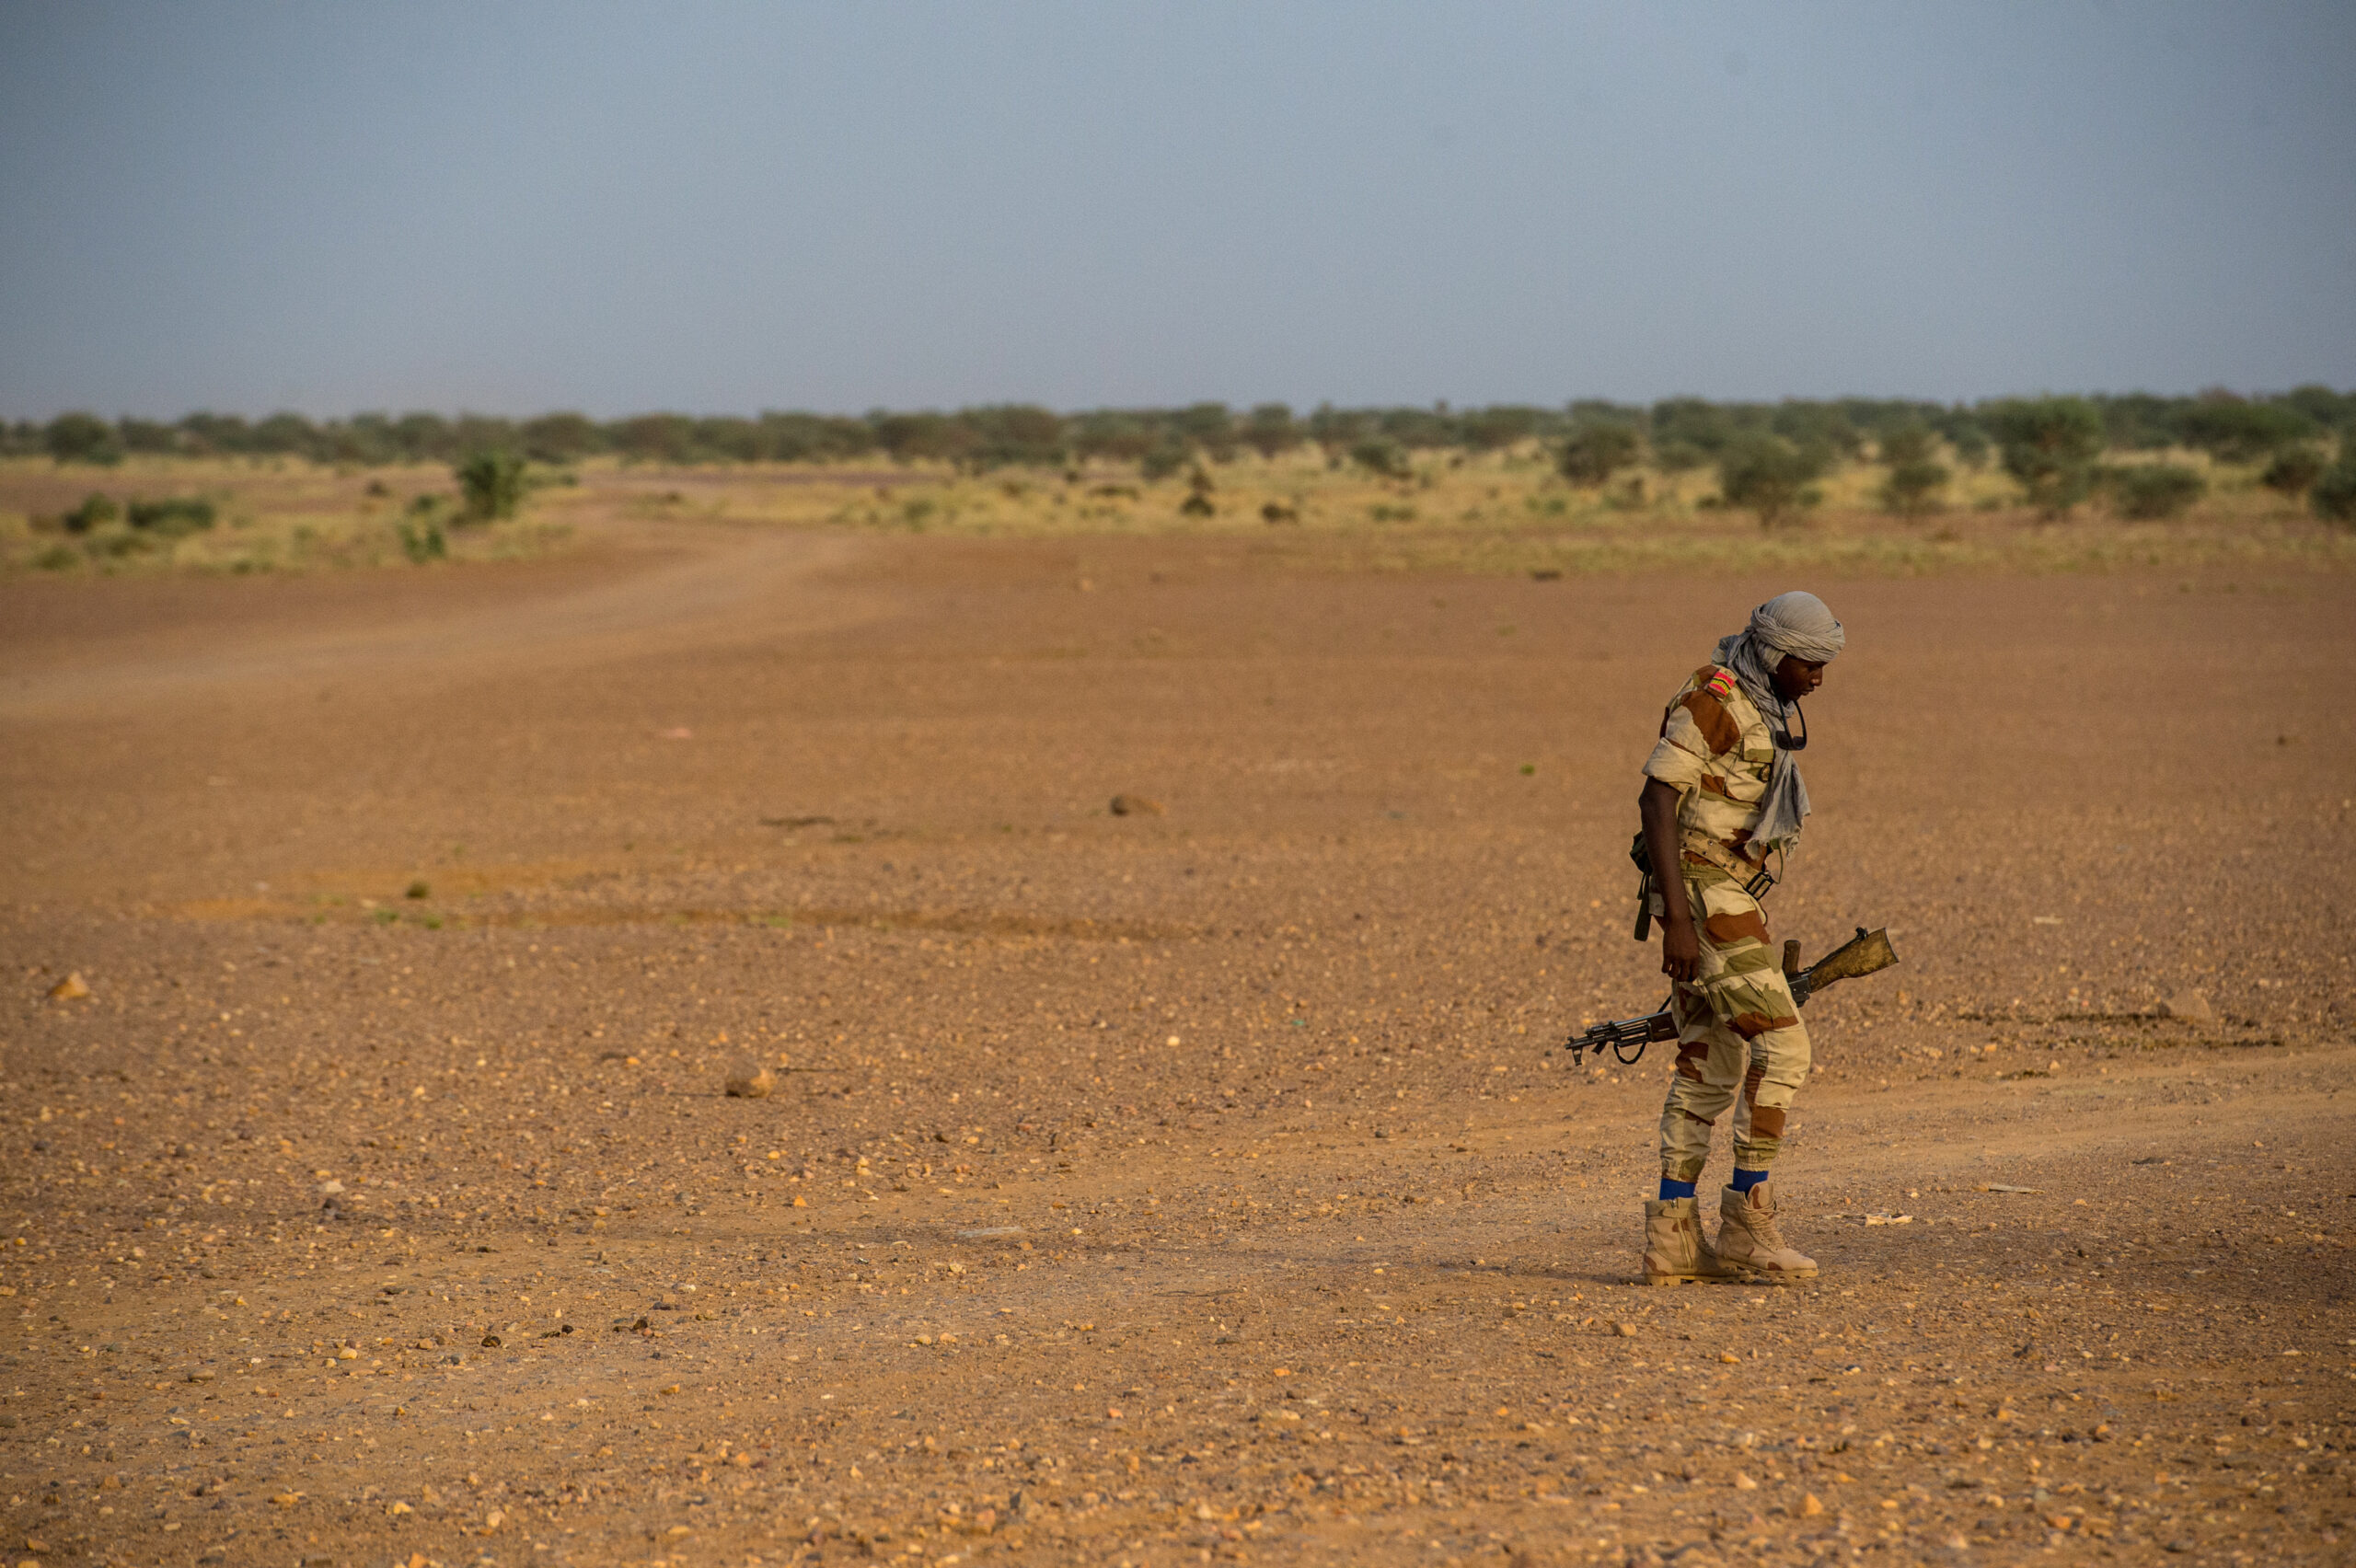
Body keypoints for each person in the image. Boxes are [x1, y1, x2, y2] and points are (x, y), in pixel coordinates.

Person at [1634, 591, 1845, 1286]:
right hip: (1705, 896)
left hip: (1724, 897)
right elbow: (1656, 798)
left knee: (1709, 1064)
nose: (1817, 678)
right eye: (1809, 664)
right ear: (1775, 654)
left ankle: (1673, 1243)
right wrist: (1682, 923)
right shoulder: (1716, 698)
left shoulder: (1762, 703)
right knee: (1783, 1049)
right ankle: (1749, 1225)